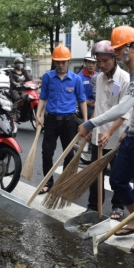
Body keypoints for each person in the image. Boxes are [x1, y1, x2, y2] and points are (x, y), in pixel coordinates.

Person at [78, 26, 134, 253]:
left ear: (133, 47)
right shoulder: (131, 73)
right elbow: (133, 109)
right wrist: (125, 130)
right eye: (114, 48)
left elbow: (122, 108)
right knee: (117, 180)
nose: (116, 52)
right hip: (133, 134)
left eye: (119, 48)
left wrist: (90, 123)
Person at [83, 40, 131, 220]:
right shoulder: (99, 78)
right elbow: (99, 107)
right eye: (98, 61)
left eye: (105, 61)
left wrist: (109, 132)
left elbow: (124, 111)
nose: (101, 65)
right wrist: (91, 126)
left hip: (117, 136)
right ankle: (93, 207)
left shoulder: (124, 79)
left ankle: (118, 206)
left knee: (118, 175)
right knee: (95, 173)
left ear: (114, 58)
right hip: (98, 134)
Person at [35, 45, 87, 194]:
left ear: (68, 61)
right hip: (51, 120)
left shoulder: (75, 79)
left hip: (69, 121)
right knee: (47, 152)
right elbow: (43, 97)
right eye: (58, 61)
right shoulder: (48, 77)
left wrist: (85, 121)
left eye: (63, 61)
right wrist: (38, 115)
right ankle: (47, 182)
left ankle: (64, 184)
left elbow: (82, 100)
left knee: (69, 154)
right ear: (54, 61)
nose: (61, 64)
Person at [77, 52, 97, 119]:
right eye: (89, 62)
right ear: (85, 63)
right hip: (83, 104)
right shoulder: (79, 77)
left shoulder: (99, 76)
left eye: (93, 63)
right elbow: (75, 94)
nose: (91, 65)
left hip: (96, 104)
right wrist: (86, 102)